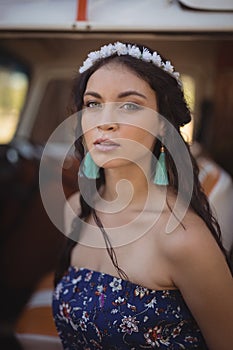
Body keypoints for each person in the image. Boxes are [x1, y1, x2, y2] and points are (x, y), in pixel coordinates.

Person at [52, 42, 233, 349]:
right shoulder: (77, 211)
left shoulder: (183, 239)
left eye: (130, 105)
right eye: (93, 104)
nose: (104, 121)